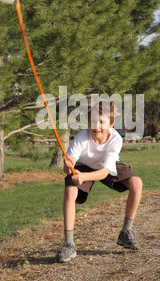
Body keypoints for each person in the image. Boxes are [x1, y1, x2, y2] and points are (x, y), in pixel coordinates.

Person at [55, 100, 143, 263]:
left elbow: (104, 172)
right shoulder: (82, 136)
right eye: (92, 122)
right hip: (83, 166)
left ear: (111, 123)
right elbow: (68, 168)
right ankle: (69, 244)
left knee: (136, 183)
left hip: (105, 166)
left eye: (101, 122)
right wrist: (68, 166)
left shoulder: (115, 139)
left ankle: (126, 232)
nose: (96, 126)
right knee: (70, 191)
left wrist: (83, 177)